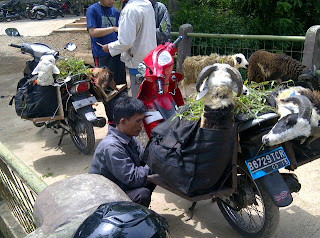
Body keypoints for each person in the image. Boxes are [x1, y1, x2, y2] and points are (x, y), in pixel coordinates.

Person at [88, 96, 155, 207]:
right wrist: (156, 165)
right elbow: (134, 178)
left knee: (153, 176)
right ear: (123, 122)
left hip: (120, 185)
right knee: (142, 194)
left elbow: (144, 158)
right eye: (138, 121)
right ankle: (131, 220)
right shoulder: (111, 147)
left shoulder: (130, 138)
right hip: (104, 198)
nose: (141, 125)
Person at [101, 0, 157, 98]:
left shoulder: (129, 10)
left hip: (137, 63)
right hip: (150, 60)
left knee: (139, 99)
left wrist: (109, 47)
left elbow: (126, 42)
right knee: (150, 97)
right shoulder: (147, 4)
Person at [86, 0, 127, 125]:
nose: (112, 1)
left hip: (117, 53)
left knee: (121, 86)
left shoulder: (115, 12)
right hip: (102, 54)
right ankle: (112, 121)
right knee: (107, 88)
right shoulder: (92, 10)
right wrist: (113, 28)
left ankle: (123, 118)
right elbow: (92, 32)